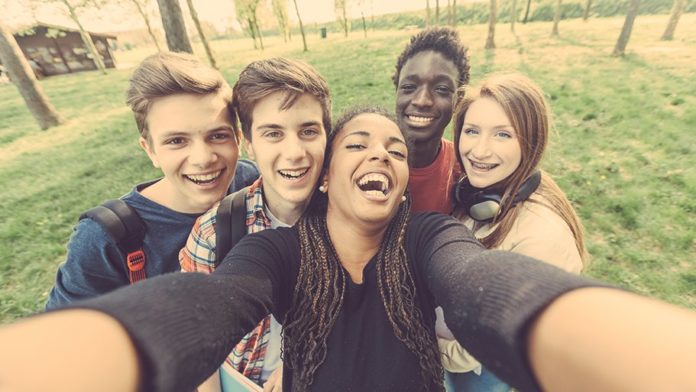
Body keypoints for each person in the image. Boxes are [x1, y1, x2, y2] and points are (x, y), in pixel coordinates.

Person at [1, 107, 696, 392]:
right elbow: (210, 304)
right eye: (358, 144)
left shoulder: (427, 237)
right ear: (328, 175)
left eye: (394, 150)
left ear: (400, 185)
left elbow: (490, 284)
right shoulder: (275, 252)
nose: (381, 155)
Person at [45, 52, 258, 309]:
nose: (203, 159)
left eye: (217, 136)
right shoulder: (105, 239)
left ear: (237, 138)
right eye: (176, 141)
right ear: (150, 150)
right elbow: (68, 333)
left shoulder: (252, 180)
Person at [179, 57, 331, 390]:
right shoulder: (215, 233)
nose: (294, 153)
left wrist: (300, 360)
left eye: (308, 131)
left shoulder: (348, 221)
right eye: (273, 133)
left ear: (326, 136)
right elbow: (200, 341)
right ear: (248, 143)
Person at [438, 73, 590, 391]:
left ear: (532, 142)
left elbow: (479, 347)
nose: (479, 150)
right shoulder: (477, 193)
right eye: (472, 131)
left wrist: (419, 337)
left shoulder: (543, 238)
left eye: (503, 135)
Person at [392, 27, 469, 214]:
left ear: (458, 100)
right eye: (409, 87)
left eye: (441, 89)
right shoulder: (367, 159)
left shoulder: (465, 168)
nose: (422, 101)